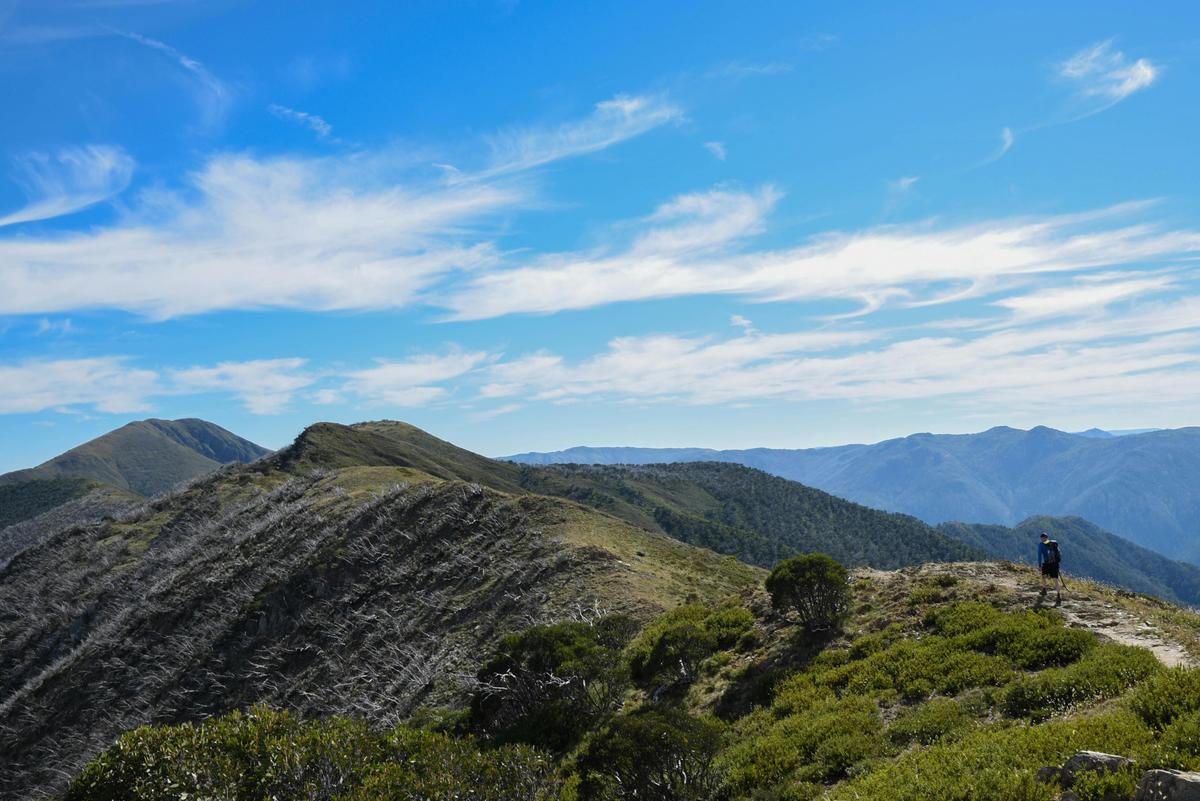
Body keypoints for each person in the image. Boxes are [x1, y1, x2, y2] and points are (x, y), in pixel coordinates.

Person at [1038, 532, 1065, 605]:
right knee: (1056, 580)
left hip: (1047, 563)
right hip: (1055, 564)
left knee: (1043, 576)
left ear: (1041, 538)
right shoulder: (1053, 544)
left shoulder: (1041, 545)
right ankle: (1059, 596)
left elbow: (1039, 555)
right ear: (1047, 537)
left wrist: (1039, 565)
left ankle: (1044, 590)